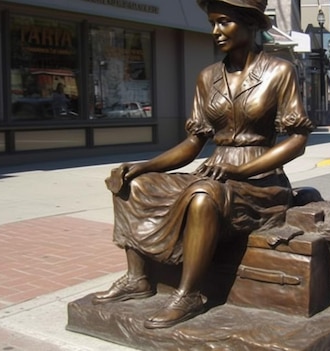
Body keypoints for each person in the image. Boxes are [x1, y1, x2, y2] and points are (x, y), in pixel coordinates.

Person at [92, 0, 314, 329]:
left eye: (224, 22)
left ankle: (189, 294)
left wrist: (239, 170)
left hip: (261, 180)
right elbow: (194, 143)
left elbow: (296, 139)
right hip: (214, 171)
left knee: (203, 196)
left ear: (249, 23)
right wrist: (144, 166)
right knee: (134, 184)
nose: (215, 31)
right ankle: (137, 279)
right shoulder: (207, 77)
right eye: (212, 23)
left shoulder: (279, 71)